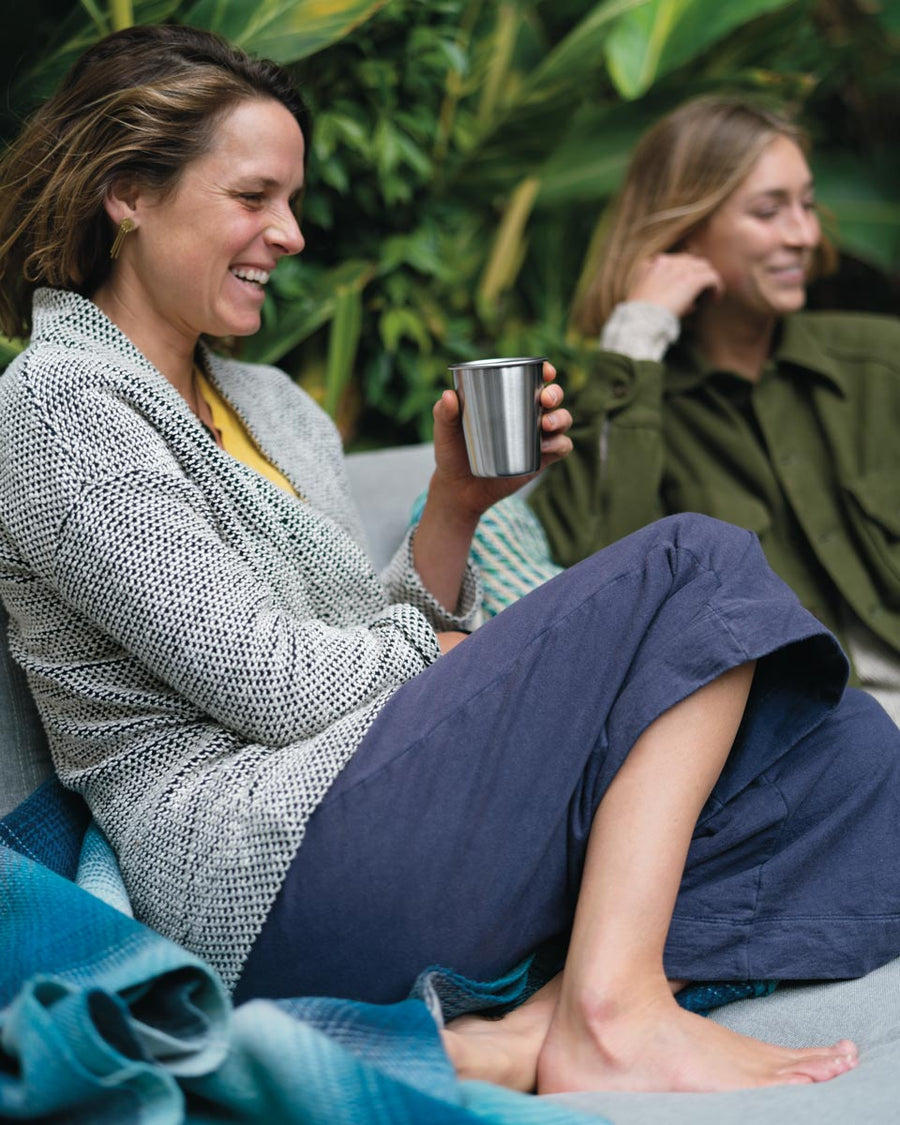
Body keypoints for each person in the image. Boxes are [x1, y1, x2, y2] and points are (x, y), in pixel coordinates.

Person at [1, 27, 899, 1098]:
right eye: (254, 197)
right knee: (695, 563)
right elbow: (277, 686)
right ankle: (614, 1012)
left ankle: (541, 1023)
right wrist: (453, 649)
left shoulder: (275, 407)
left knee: (848, 751)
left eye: (291, 201)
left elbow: (349, 641)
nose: (287, 234)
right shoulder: (59, 407)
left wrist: (458, 511)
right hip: (259, 868)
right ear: (128, 193)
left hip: (380, 803)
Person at [529, 95, 900, 727]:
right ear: (686, 230)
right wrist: (636, 336)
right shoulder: (634, 414)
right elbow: (601, 581)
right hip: (809, 738)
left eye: (807, 205)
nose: (804, 235)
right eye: (768, 211)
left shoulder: (882, 362)